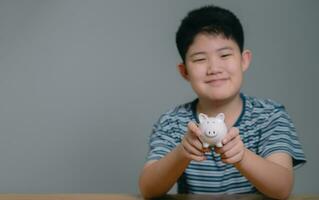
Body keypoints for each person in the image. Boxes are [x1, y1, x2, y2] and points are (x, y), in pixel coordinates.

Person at [138, 5, 306, 199]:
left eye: (225, 55)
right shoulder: (173, 122)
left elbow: (282, 188)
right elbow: (148, 190)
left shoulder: (270, 115)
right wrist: (181, 153)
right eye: (200, 59)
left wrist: (242, 156)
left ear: (244, 60)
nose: (214, 68)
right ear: (184, 71)